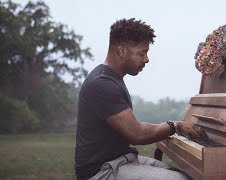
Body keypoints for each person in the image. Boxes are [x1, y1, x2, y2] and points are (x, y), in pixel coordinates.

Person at [75, 18, 207, 180]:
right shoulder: (102, 84)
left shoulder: (111, 78)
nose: (146, 59)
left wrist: (171, 127)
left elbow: (134, 126)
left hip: (121, 159)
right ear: (121, 51)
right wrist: (175, 126)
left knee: (184, 175)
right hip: (101, 170)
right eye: (141, 53)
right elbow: (137, 134)